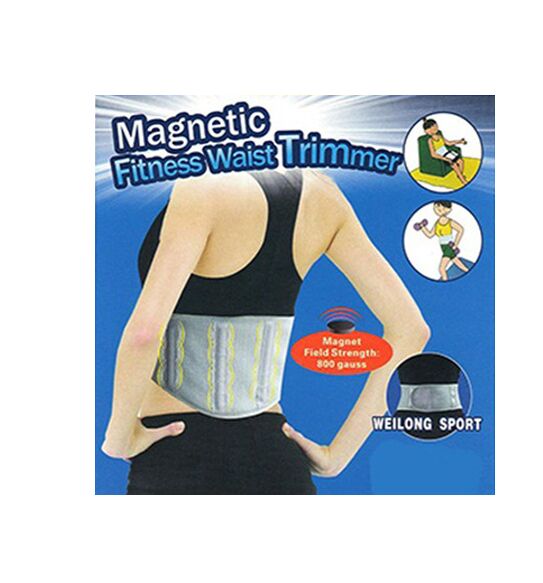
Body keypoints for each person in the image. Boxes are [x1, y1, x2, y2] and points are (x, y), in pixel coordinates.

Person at [101, 169, 430, 494]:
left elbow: (145, 334)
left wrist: (119, 437)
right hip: (276, 460)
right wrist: (336, 457)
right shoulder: (325, 197)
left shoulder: (202, 185)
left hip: (177, 453)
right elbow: (411, 330)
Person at [416, 200, 470, 281]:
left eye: (443, 208)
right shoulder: (437, 223)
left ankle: (445, 281)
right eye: (437, 206)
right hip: (444, 247)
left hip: (448, 247)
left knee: (441, 268)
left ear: (449, 209)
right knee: (458, 263)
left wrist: (456, 244)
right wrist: (422, 227)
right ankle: (471, 273)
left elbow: (461, 230)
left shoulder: (449, 222)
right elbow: (430, 234)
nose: (440, 209)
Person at [422, 118, 468, 185]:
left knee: (461, 161)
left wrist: (459, 141)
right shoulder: (430, 140)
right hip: (441, 155)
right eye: (431, 127)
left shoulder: (440, 135)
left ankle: (459, 175)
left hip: (447, 152)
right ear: (427, 131)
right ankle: (463, 180)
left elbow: (448, 143)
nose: (434, 128)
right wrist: (445, 159)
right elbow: (433, 154)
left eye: (435, 126)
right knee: (454, 165)